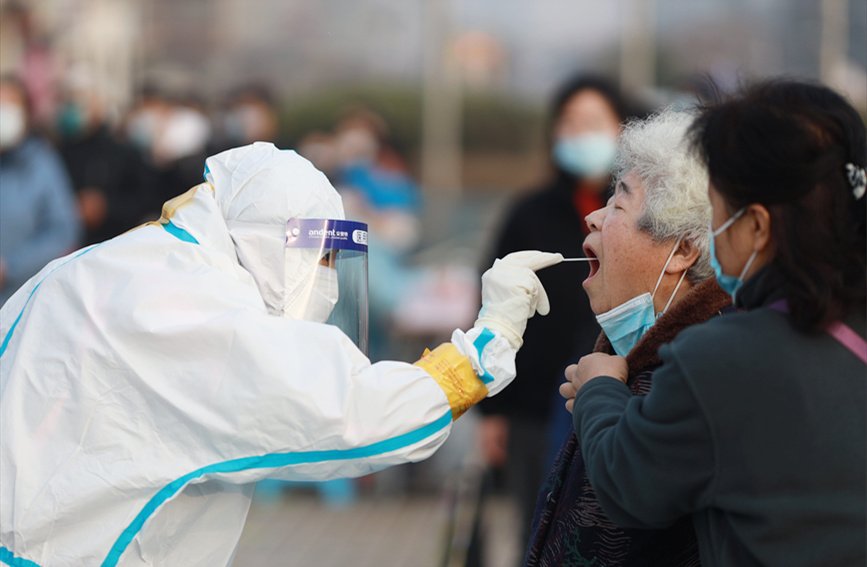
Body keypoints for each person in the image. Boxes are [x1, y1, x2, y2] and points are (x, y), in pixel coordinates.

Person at [0, 142, 561, 567]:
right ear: (270, 238)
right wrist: (490, 340)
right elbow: (359, 415)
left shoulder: (120, 264)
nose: (329, 287)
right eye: (320, 261)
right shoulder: (187, 308)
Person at [563, 80, 866, 567]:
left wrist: (599, 389)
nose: (710, 232)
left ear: (758, 227)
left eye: (719, 207)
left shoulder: (723, 356)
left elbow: (629, 482)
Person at [524, 107, 731, 566]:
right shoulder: (636, 360)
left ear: (682, 249)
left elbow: (641, 489)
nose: (594, 217)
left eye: (618, 203)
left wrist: (601, 395)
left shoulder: (700, 373)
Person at [475, 74, 634, 555]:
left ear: (624, 129)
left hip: (617, 391)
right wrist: (490, 406)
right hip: (533, 400)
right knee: (537, 522)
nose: (579, 133)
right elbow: (488, 300)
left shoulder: (641, 217)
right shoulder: (530, 211)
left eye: (592, 122)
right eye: (569, 123)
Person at [0, 74, 81, 306]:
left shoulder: (42, 164)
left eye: (9, 107)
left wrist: (10, 267)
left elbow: (62, 230)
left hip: (19, 303)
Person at [56, 67, 158, 245]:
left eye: (81, 98)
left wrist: (107, 207)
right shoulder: (54, 151)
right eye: (70, 100)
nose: (74, 106)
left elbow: (146, 200)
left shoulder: (124, 151)